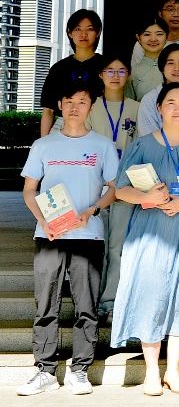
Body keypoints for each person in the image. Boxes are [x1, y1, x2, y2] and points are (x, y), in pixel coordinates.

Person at [111, 82, 179, 396]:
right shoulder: (142, 145)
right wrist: (146, 196)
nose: (177, 108)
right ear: (159, 108)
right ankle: (151, 372)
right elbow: (120, 190)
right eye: (170, 102)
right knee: (152, 295)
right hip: (151, 229)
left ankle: (173, 370)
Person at [17, 82, 118, 396]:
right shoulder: (43, 145)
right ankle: (45, 370)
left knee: (86, 305)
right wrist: (43, 220)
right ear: (60, 105)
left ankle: (80, 370)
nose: (75, 106)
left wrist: (92, 210)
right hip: (50, 234)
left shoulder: (102, 145)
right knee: (45, 304)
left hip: (88, 234)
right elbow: (29, 190)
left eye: (82, 101)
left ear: (91, 106)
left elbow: (114, 189)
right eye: (69, 100)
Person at [85, 55, 139, 325]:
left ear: (129, 74)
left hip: (127, 188)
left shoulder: (137, 108)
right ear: (101, 75)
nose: (115, 76)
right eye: (110, 70)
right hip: (96, 190)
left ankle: (110, 302)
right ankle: (91, 302)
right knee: (97, 247)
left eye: (121, 71)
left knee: (118, 248)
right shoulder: (90, 107)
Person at [39, 9, 106, 136]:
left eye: (90, 29)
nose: (83, 34)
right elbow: (48, 110)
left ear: (97, 33)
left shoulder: (107, 66)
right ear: (70, 33)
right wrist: (44, 141)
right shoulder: (59, 68)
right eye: (78, 29)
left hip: (99, 126)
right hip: (63, 127)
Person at [136, 43, 179, 136]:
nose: (177, 68)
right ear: (162, 68)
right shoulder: (150, 100)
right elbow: (148, 138)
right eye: (170, 63)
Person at [126, 18, 169, 100]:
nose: (153, 39)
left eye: (159, 34)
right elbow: (129, 103)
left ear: (167, 37)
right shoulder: (133, 73)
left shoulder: (176, 68)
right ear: (138, 38)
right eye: (147, 34)